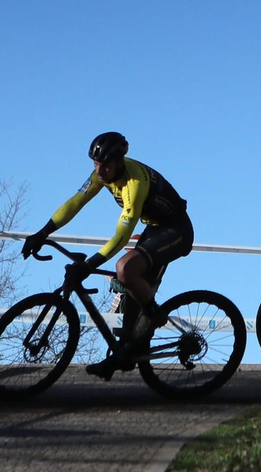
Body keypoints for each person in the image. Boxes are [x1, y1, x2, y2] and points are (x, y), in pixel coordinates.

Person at [21, 132, 192, 378]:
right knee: (129, 286)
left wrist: (90, 264)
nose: (99, 171)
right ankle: (125, 353)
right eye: (95, 164)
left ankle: (154, 315)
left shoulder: (135, 184)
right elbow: (75, 203)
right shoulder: (102, 175)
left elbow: (122, 236)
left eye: (105, 165)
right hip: (155, 228)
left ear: (119, 162)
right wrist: (42, 232)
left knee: (125, 268)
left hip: (177, 230)